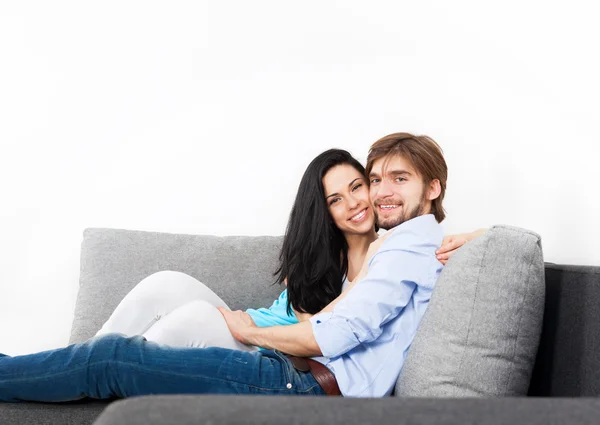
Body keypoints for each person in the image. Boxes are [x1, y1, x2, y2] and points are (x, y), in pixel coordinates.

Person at [0, 132, 477, 401]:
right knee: (123, 340)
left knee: (113, 358)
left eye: (398, 179)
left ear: (432, 188)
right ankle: (59, 375)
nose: (377, 194)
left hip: (305, 383)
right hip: (295, 371)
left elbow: (332, 335)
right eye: (376, 180)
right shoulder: (409, 244)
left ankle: (68, 380)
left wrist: (248, 333)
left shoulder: (406, 246)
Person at [92, 148, 473, 351]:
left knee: (192, 318)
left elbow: (323, 332)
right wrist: (248, 323)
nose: (354, 203)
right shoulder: (323, 255)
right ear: (324, 211)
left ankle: (116, 382)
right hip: (252, 331)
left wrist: (481, 233)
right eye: (335, 200)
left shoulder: (396, 252)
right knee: (164, 284)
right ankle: (86, 358)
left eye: (358, 187)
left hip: (271, 355)